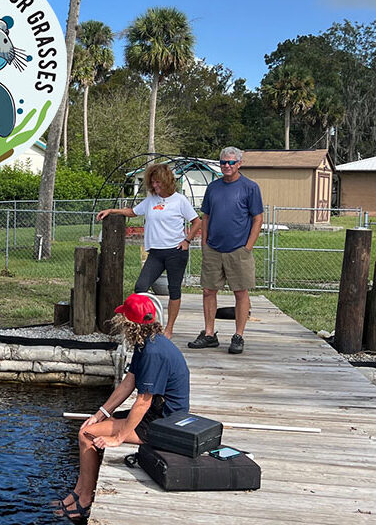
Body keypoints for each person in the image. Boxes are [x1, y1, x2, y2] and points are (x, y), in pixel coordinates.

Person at [57, 294, 190, 522]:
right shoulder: (146, 341)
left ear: (128, 323)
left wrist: (119, 438)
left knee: (86, 434)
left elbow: (143, 401)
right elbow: (129, 382)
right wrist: (101, 413)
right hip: (153, 414)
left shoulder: (153, 352)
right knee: (90, 426)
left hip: (164, 424)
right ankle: (78, 492)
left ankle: (86, 498)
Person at [96, 163, 201, 338]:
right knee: (141, 287)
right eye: (152, 183)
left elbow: (197, 221)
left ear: (167, 181)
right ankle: (146, 323)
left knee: (174, 290)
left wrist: (187, 240)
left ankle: (169, 328)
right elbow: (133, 212)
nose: (155, 186)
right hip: (156, 253)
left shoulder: (180, 200)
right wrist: (112, 210)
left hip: (176, 251)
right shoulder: (151, 200)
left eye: (158, 182)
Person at [189, 146, 263, 355]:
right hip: (213, 248)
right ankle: (210, 334)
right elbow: (206, 216)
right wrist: (204, 243)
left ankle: (238, 336)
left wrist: (248, 246)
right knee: (208, 291)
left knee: (240, 292)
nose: (227, 166)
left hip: (238, 250)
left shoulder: (250, 187)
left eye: (231, 162)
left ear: (239, 163)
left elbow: (258, 219)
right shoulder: (213, 188)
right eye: (223, 162)